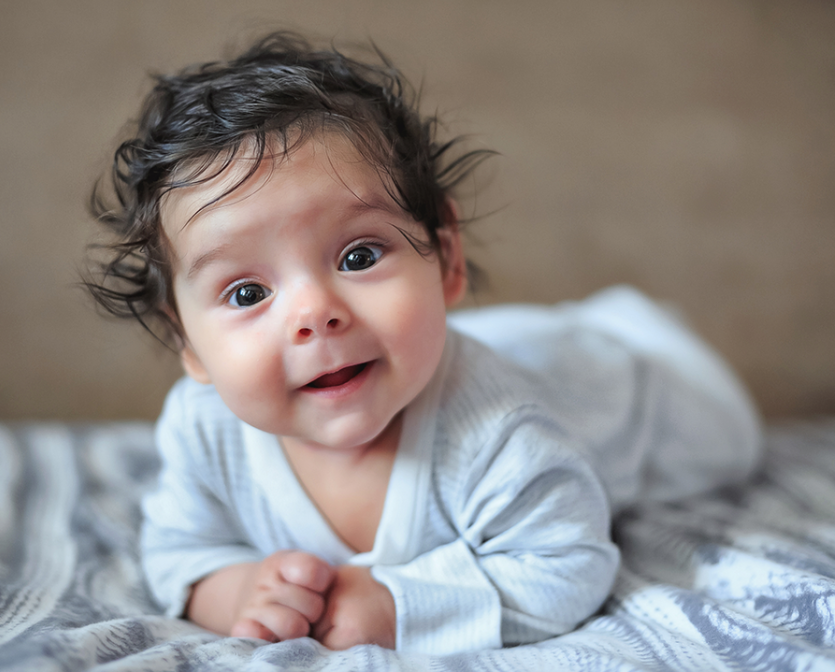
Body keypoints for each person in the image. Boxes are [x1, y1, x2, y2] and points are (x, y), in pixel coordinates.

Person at [85, 32, 762, 655]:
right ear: (191, 349)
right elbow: (177, 549)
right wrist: (238, 592)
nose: (314, 314)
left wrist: (394, 606)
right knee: (450, 341)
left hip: (649, 381)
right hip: (466, 347)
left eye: (357, 256)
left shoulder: (500, 437)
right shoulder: (204, 431)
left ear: (445, 258)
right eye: (246, 294)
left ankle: (621, 320)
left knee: (729, 438)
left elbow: (568, 565)